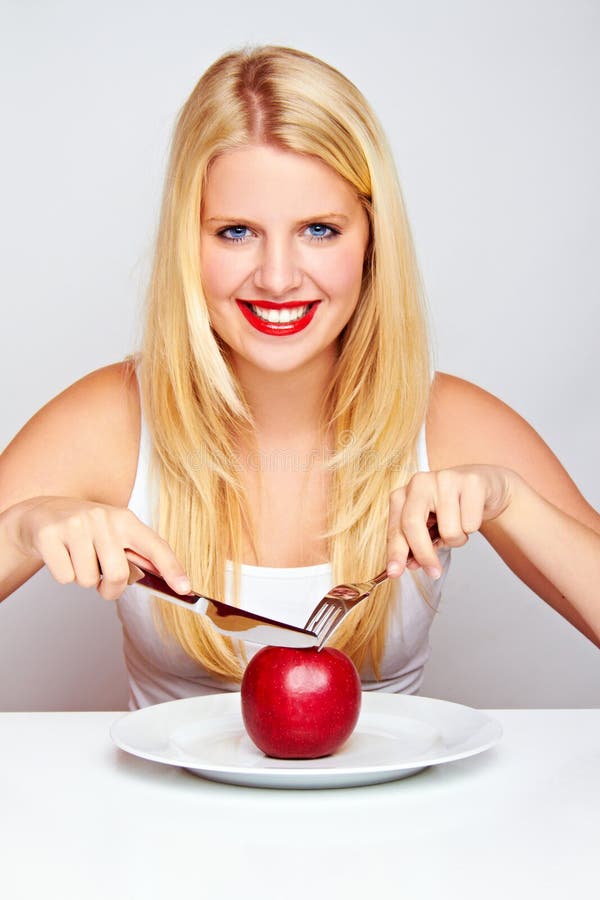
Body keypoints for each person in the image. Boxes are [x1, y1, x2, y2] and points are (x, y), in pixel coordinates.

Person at [1, 46, 598, 709]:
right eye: (235, 232)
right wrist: (21, 526)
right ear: (186, 245)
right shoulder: (110, 418)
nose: (279, 278)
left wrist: (514, 502)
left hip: (404, 816)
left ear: (373, 240)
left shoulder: (450, 420)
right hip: (156, 815)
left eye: (319, 229)